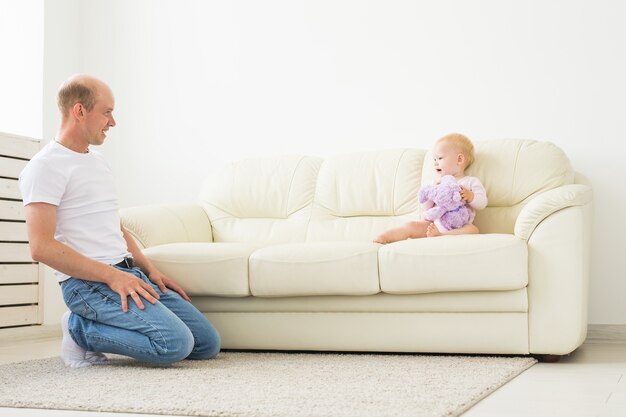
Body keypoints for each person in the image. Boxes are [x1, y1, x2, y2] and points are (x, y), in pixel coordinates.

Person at [19, 74, 220, 368]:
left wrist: (148, 270)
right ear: (79, 111)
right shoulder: (44, 167)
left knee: (206, 343)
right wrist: (112, 276)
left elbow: (116, 226)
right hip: (88, 284)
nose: (112, 122)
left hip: (127, 273)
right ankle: (79, 329)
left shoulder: (98, 162)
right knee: (174, 344)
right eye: (107, 112)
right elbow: (41, 247)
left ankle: (89, 323)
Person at [374, 133, 487, 244]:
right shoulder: (435, 184)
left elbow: (482, 203)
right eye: (434, 159)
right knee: (412, 226)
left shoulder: (470, 182)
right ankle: (385, 237)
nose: (435, 163)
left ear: (459, 159)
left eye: (440, 158)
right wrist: (432, 195)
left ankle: (442, 236)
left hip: (459, 225)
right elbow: (425, 207)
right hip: (434, 224)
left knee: (473, 230)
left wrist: (470, 196)